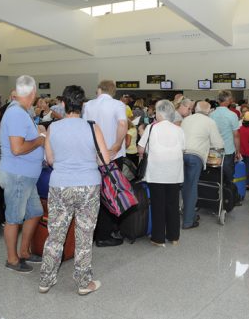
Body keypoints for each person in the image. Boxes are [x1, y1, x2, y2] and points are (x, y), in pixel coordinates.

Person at [39, 85, 109, 295]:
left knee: (55, 235)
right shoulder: (92, 127)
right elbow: (104, 159)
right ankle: (83, 283)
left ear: (63, 104)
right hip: (88, 186)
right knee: (84, 236)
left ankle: (45, 280)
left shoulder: (54, 128)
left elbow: (50, 160)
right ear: (83, 105)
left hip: (60, 185)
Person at [0, 75, 46, 273]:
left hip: (25, 176)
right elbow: (17, 148)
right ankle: (12, 259)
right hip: (17, 174)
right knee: (14, 218)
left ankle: (24, 251)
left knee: (35, 212)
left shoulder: (21, 111)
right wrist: (40, 140)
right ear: (33, 93)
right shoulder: (17, 113)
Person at [82, 80, 127, 247]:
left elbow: (85, 128)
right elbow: (122, 124)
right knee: (111, 194)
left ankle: (92, 233)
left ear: (99, 90)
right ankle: (104, 235)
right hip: (113, 156)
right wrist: (116, 144)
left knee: (94, 195)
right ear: (113, 92)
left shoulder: (88, 105)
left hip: (93, 156)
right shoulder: (118, 105)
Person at [138, 100, 185, 246]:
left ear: (159, 113)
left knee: (158, 205)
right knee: (173, 204)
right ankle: (174, 236)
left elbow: (141, 149)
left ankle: (158, 238)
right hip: (174, 173)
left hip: (156, 173)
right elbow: (183, 149)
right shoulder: (179, 129)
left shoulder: (152, 128)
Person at [181, 101, 224, 230]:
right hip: (196, 157)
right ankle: (188, 221)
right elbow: (219, 144)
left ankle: (191, 214)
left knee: (185, 186)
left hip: (182, 155)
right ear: (209, 111)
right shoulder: (209, 122)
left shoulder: (186, 119)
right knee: (192, 187)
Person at [210, 90, 240, 183]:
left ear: (218, 100)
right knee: (228, 177)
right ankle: (228, 195)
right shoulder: (232, 115)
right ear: (229, 101)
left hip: (213, 150)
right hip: (228, 150)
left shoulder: (211, 115)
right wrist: (238, 151)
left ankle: (217, 195)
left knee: (215, 176)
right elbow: (236, 136)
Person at [239, 111, 249, 189]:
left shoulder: (240, 129)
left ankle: (241, 182)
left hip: (241, 151)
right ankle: (247, 183)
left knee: (241, 168)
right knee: (248, 168)